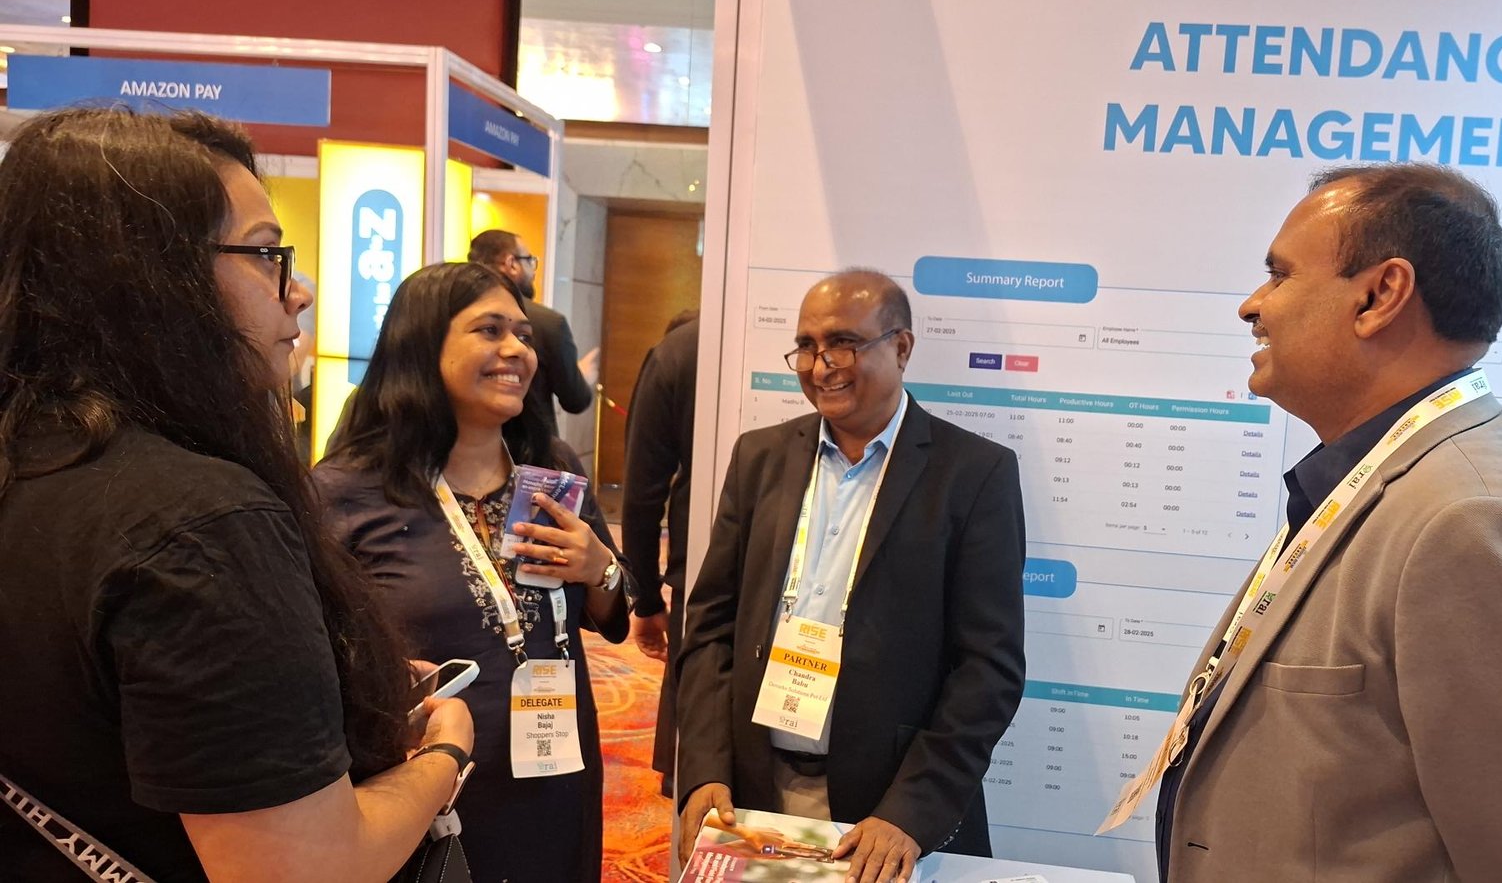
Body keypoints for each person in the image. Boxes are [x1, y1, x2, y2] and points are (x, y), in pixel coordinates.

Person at [0, 107, 473, 882]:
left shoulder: (36, 464)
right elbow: (308, 869)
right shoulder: (200, 521)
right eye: (265, 254)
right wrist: (445, 752)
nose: (299, 292)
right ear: (152, 274)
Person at [1149, 164, 1502, 881]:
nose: (1252, 306)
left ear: (1380, 296)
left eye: (1280, 275)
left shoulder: (1473, 521)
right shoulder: (1397, 481)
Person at [675, 270, 1027, 883]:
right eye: (806, 346)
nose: (821, 366)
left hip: (886, 811)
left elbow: (988, 667)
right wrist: (706, 767)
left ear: (902, 347)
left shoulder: (973, 474)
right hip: (754, 791)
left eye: (842, 343)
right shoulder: (760, 457)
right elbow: (710, 627)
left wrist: (909, 812)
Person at [314, 261, 633, 883]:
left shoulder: (551, 471)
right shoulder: (346, 492)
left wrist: (601, 570)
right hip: (426, 786)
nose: (516, 349)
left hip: (556, 767)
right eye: (490, 330)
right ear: (422, 345)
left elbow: (614, 617)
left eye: (524, 335)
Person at [622, 309, 700, 796]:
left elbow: (641, 496)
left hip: (700, 567)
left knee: (695, 693)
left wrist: (647, 601)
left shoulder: (676, 352)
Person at [468, 228, 593, 431]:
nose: (515, 349)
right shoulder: (548, 323)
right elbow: (576, 400)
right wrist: (582, 377)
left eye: (524, 337)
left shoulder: (455, 313)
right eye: (529, 260)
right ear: (511, 263)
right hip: (530, 443)